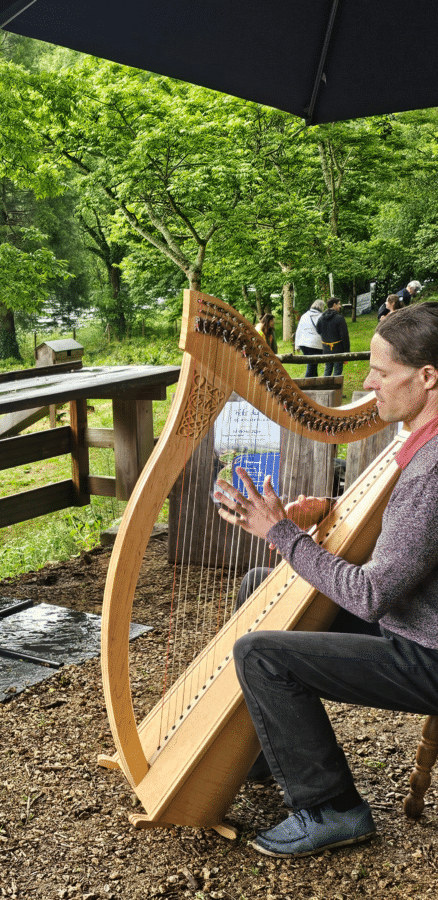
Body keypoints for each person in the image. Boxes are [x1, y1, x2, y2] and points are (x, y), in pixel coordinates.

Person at [213, 302, 438, 858]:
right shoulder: (422, 447)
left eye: (382, 372)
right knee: (257, 586)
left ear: (427, 376)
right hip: (411, 624)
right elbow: (418, 538)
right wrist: (333, 508)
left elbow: (369, 592)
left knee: (261, 653)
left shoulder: (431, 468)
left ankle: (334, 808)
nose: (369, 384)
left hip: (425, 653)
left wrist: (284, 533)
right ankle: (269, 756)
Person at [315, 297, 350, 377]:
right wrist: (347, 352)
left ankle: (325, 387)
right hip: (338, 349)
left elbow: (318, 330)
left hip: (326, 349)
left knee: (327, 370)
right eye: (339, 304)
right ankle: (335, 388)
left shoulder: (321, 318)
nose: (340, 306)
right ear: (334, 305)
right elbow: (344, 336)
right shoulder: (339, 318)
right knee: (337, 372)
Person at [294, 300, 325, 377]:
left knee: (313, 365)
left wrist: (297, 345)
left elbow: (298, 330)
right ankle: (306, 385)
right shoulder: (321, 316)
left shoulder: (304, 315)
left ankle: (314, 384)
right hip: (314, 345)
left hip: (303, 344)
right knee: (311, 367)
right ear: (321, 307)